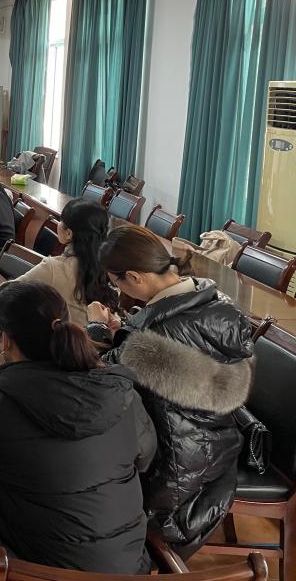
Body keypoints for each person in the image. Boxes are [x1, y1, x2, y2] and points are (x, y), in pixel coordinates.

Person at [0, 281, 154, 580]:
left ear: (4, 340)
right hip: (125, 571)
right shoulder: (122, 394)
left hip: (26, 572)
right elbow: (145, 457)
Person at [89, 225, 254, 557]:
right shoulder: (215, 301)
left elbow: (103, 375)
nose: (117, 288)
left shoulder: (154, 334)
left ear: (133, 277)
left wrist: (95, 327)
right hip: (219, 442)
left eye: (116, 281)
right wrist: (123, 331)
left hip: (177, 471)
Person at [16, 198, 117, 326]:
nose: (58, 223)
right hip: (101, 336)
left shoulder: (53, 268)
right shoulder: (110, 268)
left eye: (61, 220)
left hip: (69, 338)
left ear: (69, 233)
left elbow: (9, 292)